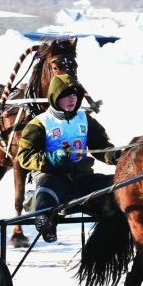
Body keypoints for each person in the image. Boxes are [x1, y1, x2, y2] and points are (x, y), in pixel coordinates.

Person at [15, 74, 120, 242]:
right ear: (55, 97)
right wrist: (53, 158)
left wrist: (114, 156)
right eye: (66, 95)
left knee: (118, 187)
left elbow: (100, 145)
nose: (72, 99)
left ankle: (113, 234)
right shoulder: (39, 123)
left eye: (75, 95)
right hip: (53, 177)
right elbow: (25, 157)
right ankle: (45, 222)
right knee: (47, 191)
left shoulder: (85, 119)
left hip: (84, 177)